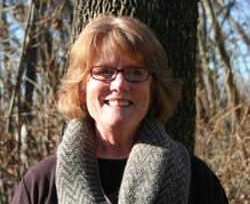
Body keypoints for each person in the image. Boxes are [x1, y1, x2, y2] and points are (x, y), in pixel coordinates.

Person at [12, 15, 228, 204]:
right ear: (82, 85)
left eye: (135, 72)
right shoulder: (41, 185)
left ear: (153, 88)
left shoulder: (197, 181)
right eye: (105, 71)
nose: (120, 85)